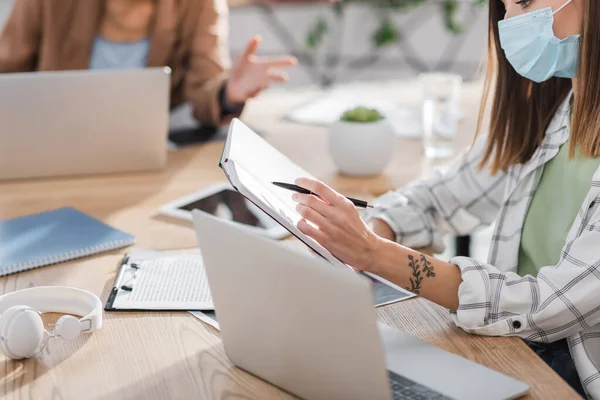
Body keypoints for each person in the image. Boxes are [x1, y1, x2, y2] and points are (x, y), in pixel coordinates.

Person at [291, 0, 598, 397]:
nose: (509, 21)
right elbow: (442, 196)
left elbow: (543, 305)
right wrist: (366, 230)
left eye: (524, 1)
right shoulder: (557, 112)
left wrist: (373, 253)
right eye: (503, 6)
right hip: (514, 351)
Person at [0, 0, 298, 127]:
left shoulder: (198, 5)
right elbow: (6, 73)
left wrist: (228, 93)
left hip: (146, 164)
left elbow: (205, 87)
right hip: (51, 152)